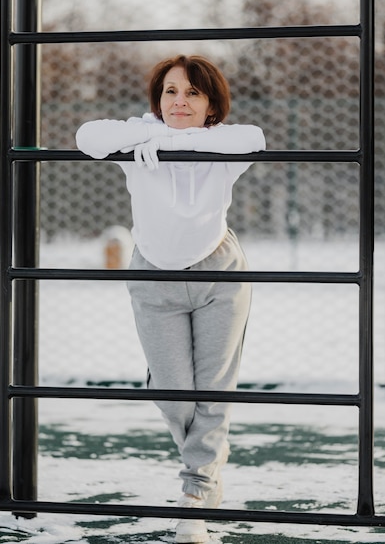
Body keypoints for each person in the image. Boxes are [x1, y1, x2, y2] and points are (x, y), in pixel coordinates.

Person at [76, 54, 265, 543]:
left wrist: (176, 141)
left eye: (193, 94)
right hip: (154, 275)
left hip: (217, 272)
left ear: (210, 104)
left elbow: (254, 139)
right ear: (158, 100)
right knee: (173, 392)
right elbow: (87, 137)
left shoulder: (221, 143)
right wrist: (153, 135)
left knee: (213, 388)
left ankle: (196, 494)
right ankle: (200, 468)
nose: (179, 102)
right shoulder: (140, 134)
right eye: (170, 92)